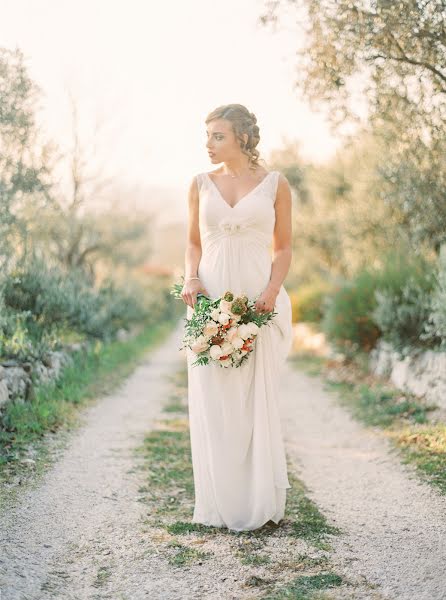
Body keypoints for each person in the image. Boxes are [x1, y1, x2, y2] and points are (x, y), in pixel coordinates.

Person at [181, 103, 293, 532]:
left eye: (218, 136)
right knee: (214, 399)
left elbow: (283, 248)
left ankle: (259, 502)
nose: (208, 144)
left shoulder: (276, 185)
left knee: (253, 400)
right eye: (207, 135)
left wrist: (270, 292)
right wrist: (191, 278)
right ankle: (219, 503)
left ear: (242, 137)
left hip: (256, 301)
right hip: (209, 300)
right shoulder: (198, 184)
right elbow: (193, 242)